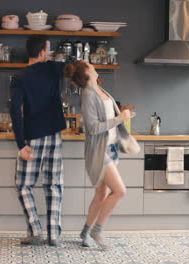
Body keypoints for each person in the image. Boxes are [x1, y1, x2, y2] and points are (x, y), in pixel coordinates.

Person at [65, 61, 139, 250]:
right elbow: (93, 128)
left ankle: (85, 232)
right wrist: (119, 118)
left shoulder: (99, 89)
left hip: (110, 148)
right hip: (99, 152)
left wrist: (123, 115)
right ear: (87, 71)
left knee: (101, 195)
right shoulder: (89, 96)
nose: (93, 64)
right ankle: (97, 230)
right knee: (120, 191)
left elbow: (108, 119)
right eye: (89, 64)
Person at [10, 35, 67, 247]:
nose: (50, 54)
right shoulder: (53, 69)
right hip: (54, 135)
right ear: (42, 52)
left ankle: (35, 230)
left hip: (32, 137)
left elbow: (15, 111)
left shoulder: (19, 77)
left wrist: (20, 144)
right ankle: (54, 235)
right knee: (54, 185)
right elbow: (74, 67)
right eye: (49, 50)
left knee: (23, 185)